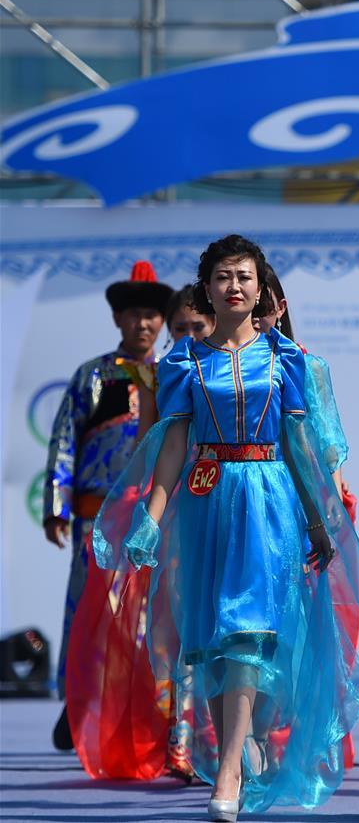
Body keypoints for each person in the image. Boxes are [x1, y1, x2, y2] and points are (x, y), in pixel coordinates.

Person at [93, 235, 359, 822]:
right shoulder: (184, 361)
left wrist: (319, 520)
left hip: (270, 500)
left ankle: (227, 766)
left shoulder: (286, 359)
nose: (235, 287)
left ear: (260, 287)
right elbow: (173, 443)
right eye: (224, 276)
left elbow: (299, 444)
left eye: (245, 276)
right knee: (215, 639)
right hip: (207, 499)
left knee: (249, 630)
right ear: (207, 288)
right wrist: (150, 516)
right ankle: (236, 750)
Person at [65, 286, 216, 782]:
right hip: (175, 514)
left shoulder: (239, 368)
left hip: (224, 510)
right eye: (181, 330)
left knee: (219, 626)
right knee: (170, 632)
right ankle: (178, 742)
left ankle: (223, 742)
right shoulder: (159, 375)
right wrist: (141, 512)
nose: (189, 337)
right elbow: (151, 449)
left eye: (199, 328)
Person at [43, 261, 172, 751]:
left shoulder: (174, 375)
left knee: (151, 619)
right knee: (88, 614)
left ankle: (153, 716)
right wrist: (56, 505)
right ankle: (75, 703)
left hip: (156, 521)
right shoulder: (92, 376)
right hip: (97, 521)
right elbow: (64, 441)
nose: (143, 324)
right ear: (118, 320)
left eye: (152, 316)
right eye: (134, 315)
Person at [254, 263, 359, 769]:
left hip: (301, 510)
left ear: (280, 306)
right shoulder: (217, 361)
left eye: (264, 305)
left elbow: (327, 444)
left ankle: (287, 738)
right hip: (247, 503)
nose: (255, 315)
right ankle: (248, 738)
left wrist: (328, 507)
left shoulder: (307, 366)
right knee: (250, 625)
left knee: (299, 629)